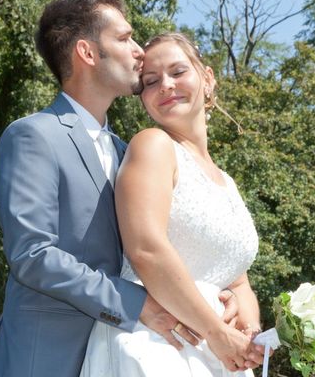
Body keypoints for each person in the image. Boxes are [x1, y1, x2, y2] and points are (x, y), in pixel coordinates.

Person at [0, 0, 223, 377]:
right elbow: (32, 255)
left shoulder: (132, 155)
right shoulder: (33, 136)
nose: (139, 50)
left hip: (132, 357)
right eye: (124, 38)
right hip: (48, 360)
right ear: (87, 53)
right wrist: (134, 302)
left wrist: (215, 298)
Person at [81, 32, 265, 376]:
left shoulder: (228, 183)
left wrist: (249, 331)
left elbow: (239, 281)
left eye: (178, 72)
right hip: (155, 344)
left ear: (207, 79)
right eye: (150, 81)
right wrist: (215, 330)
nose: (166, 85)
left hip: (220, 353)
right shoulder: (152, 146)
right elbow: (146, 249)